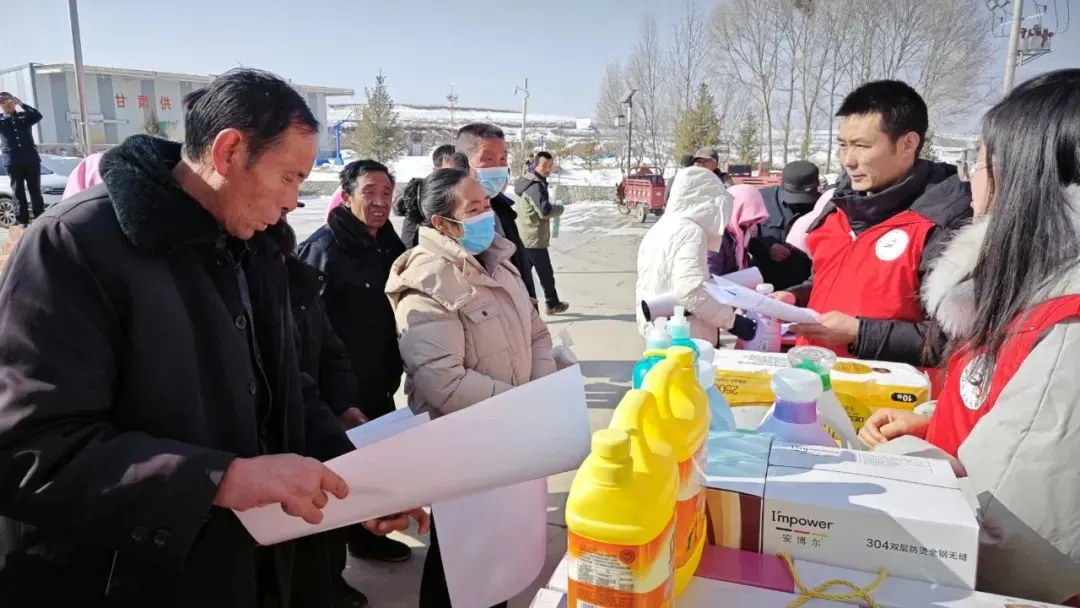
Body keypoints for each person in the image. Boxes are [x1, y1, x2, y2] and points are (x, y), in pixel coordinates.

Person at [0, 68, 422, 605]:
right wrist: (220, 480)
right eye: (288, 177)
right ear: (228, 152)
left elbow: (288, 391)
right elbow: (29, 446)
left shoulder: (260, 247)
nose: (294, 201)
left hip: (249, 569)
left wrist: (357, 484)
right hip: (129, 579)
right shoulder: (76, 244)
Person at [858, 69, 1080, 605]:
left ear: (1024, 177)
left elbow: (1016, 547)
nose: (973, 180)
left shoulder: (1066, 322)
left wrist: (904, 459)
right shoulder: (1029, 287)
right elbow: (1014, 411)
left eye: (981, 163)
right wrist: (936, 422)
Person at [385, 168, 555, 607]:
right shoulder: (425, 280)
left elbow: (536, 333)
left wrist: (537, 396)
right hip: (464, 443)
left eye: (486, 205)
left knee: (499, 556)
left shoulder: (499, 259)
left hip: (510, 435)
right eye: (474, 209)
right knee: (459, 562)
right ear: (441, 223)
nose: (486, 217)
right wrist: (519, 409)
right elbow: (443, 379)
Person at [778, 80, 971, 370]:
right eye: (843, 146)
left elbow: (950, 338)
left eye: (861, 146)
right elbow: (826, 280)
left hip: (887, 392)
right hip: (813, 377)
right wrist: (795, 297)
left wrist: (860, 333)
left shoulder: (945, 221)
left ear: (908, 144)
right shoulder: (837, 208)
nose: (848, 161)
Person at [296, 160, 416, 563]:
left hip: (380, 377)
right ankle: (339, 562)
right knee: (341, 468)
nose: (380, 201)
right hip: (340, 386)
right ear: (346, 197)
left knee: (375, 462)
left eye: (386, 193)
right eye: (369, 192)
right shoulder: (323, 250)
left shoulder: (389, 244)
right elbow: (306, 326)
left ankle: (368, 535)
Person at [636, 166, 735, 345]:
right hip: (685, 337)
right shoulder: (691, 231)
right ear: (706, 202)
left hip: (658, 331)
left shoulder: (658, 228)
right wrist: (732, 321)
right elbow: (691, 290)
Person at [455, 123, 537, 301]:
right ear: (463, 163)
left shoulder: (503, 211)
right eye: (489, 159)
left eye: (503, 159)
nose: (499, 167)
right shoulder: (445, 218)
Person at [748, 160, 819, 289]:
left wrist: (806, 248)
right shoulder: (762, 199)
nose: (799, 203)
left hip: (806, 285)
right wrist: (766, 247)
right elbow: (742, 239)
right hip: (766, 283)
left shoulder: (823, 205)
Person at [514, 150, 569, 315]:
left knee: (523, 274)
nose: (547, 169)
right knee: (545, 274)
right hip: (533, 238)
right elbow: (544, 211)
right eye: (544, 165)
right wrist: (559, 209)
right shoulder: (536, 186)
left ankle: (518, 305)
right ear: (535, 165)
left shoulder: (528, 181)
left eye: (550, 165)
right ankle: (552, 304)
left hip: (525, 234)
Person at [393, 144, 458, 247]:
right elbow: (408, 244)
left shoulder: (477, 198)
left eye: (462, 170)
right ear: (436, 171)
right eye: (451, 172)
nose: (459, 178)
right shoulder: (421, 201)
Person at [0, 92, 45, 227]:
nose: (7, 104)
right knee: (18, 191)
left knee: (35, 190)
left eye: (9, 101)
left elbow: (37, 115)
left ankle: (40, 218)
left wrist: (22, 104)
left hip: (31, 159)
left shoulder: (24, 116)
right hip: (13, 161)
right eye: (3, 102)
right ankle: (22, 220)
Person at [708, 184, 768, 277]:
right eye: (747, 215)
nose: (750, 223)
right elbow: (711, 274)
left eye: (756, 218)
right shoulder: (714, 234)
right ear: (735, 208)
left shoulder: (742, 231)